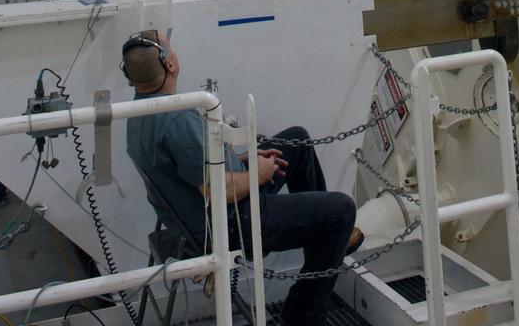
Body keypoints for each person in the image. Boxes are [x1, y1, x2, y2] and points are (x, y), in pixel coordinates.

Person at [122, 30, 362, 326]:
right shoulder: (176, 120)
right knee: (342, 211)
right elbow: (218, 192)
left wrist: (240, 160)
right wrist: (256, 175)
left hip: (204, 215)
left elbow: (191, 167)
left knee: (297, 141)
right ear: (169, 64)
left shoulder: (138, 112)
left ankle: (323, 250)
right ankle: (303, 315)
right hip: (234, 222)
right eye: (171, 47)